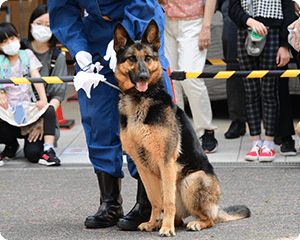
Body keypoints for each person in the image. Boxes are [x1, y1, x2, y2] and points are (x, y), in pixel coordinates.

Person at [47, 0, 174, 230]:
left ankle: (147, 203)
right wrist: (79, 48)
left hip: (139, 25)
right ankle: (110, 202)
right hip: (94, 33)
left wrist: (125, 42)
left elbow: (141, 3)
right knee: (97, 116)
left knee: (146, 116)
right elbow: (63, 8)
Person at [229, 0, 295, 161]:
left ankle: (269, 142)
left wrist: (284, 45)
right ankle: (255, 142)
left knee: (269, 91)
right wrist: (249, 20)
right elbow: (232, 8)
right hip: (246, 31)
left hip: (272, 32)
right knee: (250, 90)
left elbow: (288, 11)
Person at [2, 5, 69, 159]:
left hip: (40, 113)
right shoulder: (18, 48)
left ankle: (45, 148)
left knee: (33, 154)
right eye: (39, 23)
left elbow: (57, 96)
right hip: (15, 111)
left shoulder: (56, 55)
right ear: (31, 23)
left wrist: (41, 122)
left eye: (48, 25)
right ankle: (11, 143)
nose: (43, 28)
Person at [159, 0, 218, 154]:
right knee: (170, 79)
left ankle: (206, 130)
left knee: (191, 77)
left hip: (193, 21)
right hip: (166, 20)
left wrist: (206, 26)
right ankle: (176, 130)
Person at [217, 0, 247, 139]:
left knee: (268, 65)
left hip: (266, 7)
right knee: (233, 68)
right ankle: (238, 120)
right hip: (233, 6)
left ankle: (277, 126)